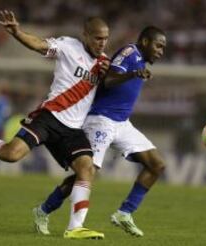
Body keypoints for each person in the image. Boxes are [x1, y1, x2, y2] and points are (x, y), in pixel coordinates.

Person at [0, 10, 110, 239]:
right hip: (49, 117)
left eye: (105, 38)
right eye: (98, 38)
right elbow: (39, 45)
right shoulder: (69, 46)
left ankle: (74, 227)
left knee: (86, 169)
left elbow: (118, 84)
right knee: (11, 154)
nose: (102, 43)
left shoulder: (105, 64)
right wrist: (17, 32)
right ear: (85, 35)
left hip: (73, 129)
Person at [33, 26, 167, 237]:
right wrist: (133, 74)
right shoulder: (129, 53)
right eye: (158, 46)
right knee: (86, 173)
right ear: (144, 42)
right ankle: (44, 210)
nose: (161, 51)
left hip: (122, 123)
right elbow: (108, 80)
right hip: (101, 121)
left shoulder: (140, 60)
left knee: (157, 165)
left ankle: (125, 213)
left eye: (163, 48)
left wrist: (135, 73)